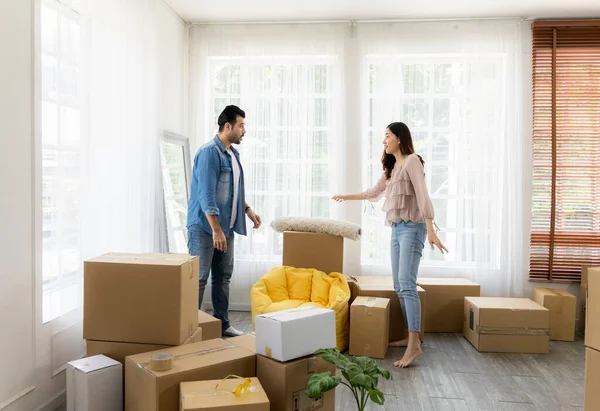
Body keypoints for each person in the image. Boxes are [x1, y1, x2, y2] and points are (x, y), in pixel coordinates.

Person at [332, 122, 447, 368]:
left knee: (407, 284)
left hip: (413, 228)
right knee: (399, 284)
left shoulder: (413, 161)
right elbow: (373, 191)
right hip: (396, 229)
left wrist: (430, 230)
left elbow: (423, 195)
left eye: (387, 136)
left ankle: (414, 345)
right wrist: (346, 196)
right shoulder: (393, 168)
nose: (384, 141)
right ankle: (409, 336)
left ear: (399, 138)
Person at [187, 105, 261, 337]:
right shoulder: (209, 153)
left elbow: (232, 192)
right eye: (241, 125)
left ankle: (222, 324)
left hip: (225, 228)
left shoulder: (232, 154)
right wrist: (216, 229)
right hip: (204, 228)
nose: (244, 131)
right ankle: (189, 329)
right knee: (198, 279)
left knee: (223, 277)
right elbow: (206, 195)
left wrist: (247, 210)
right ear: (227, 126)